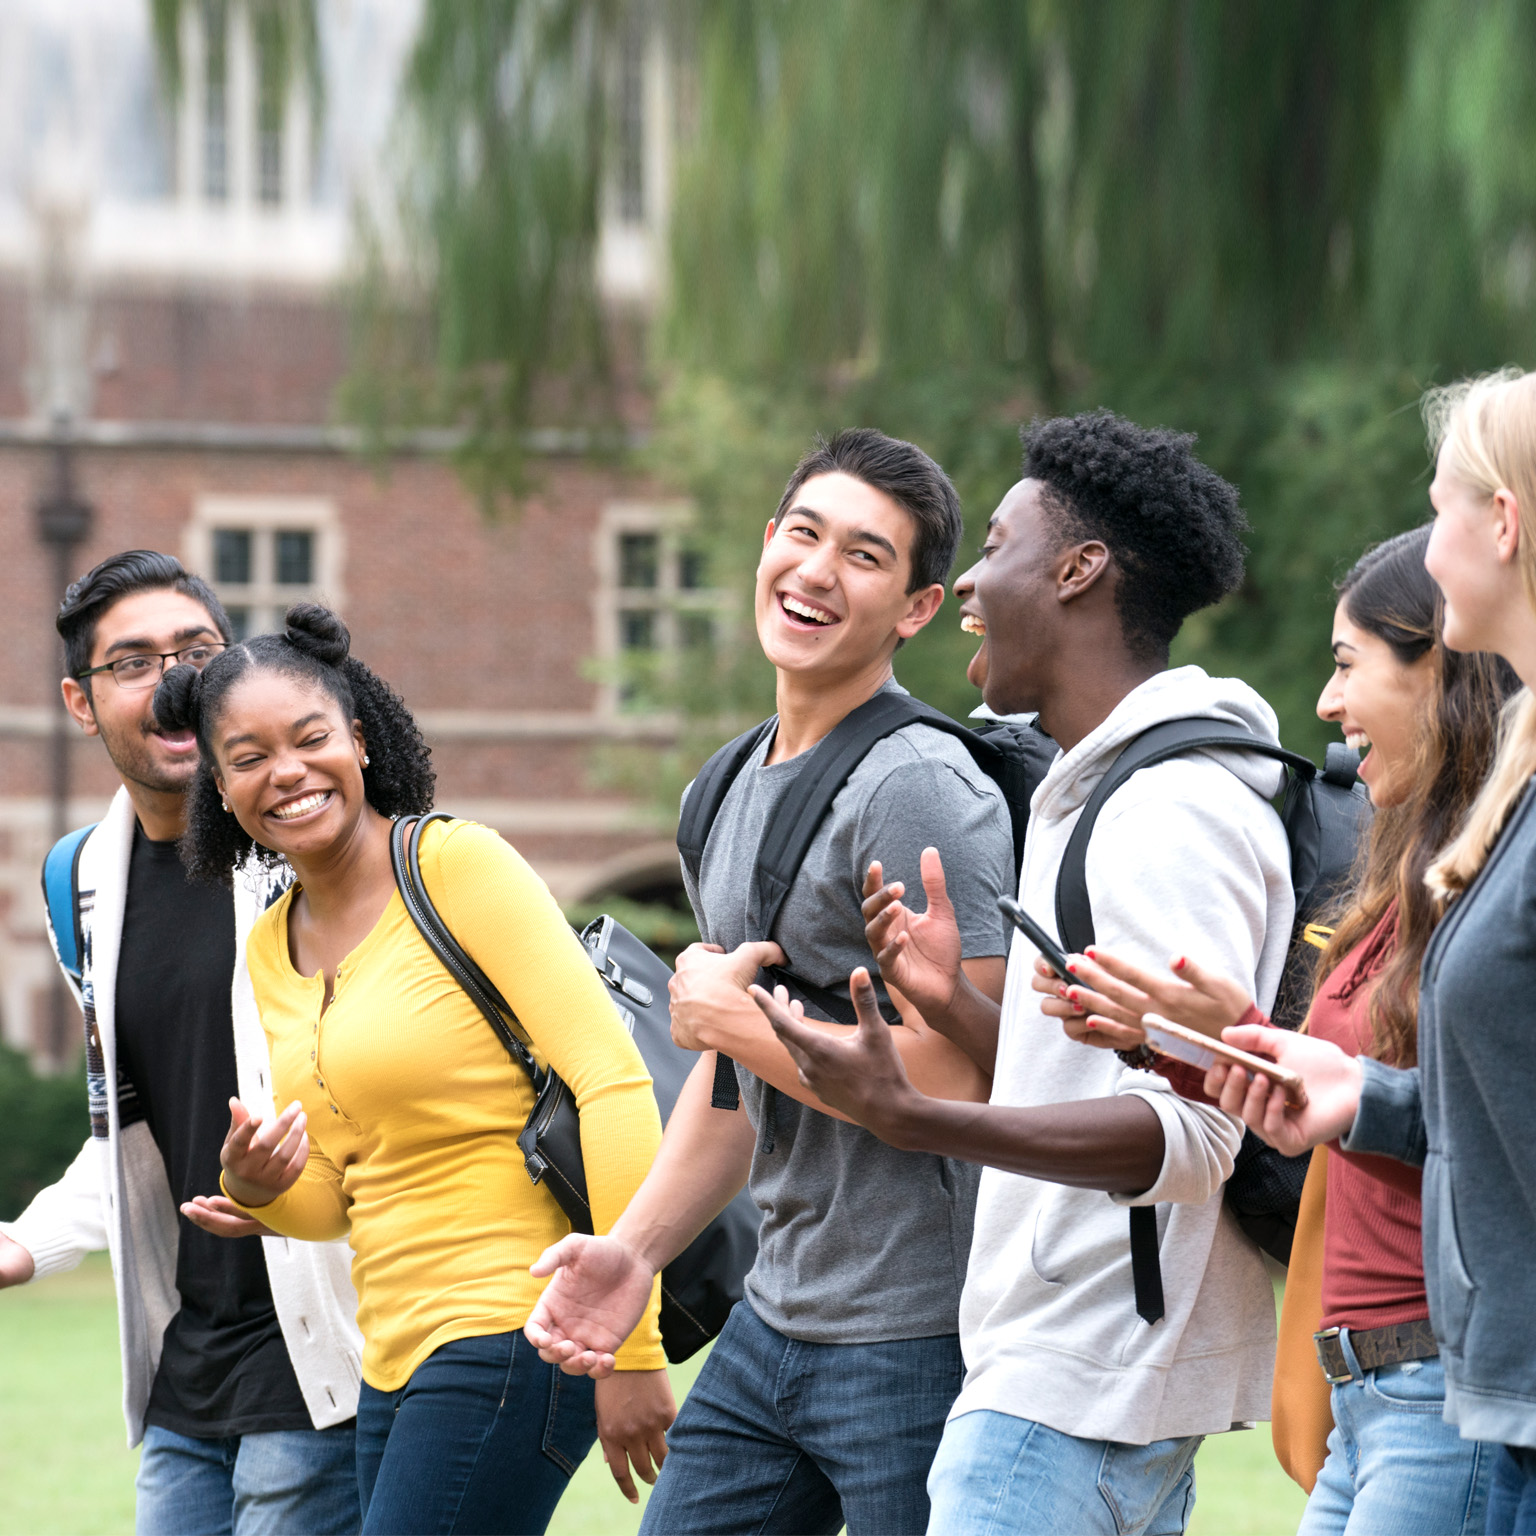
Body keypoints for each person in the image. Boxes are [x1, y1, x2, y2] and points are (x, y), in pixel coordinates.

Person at [755, 410, 1295, 1535]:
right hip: (1061, 1376)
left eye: (994, 546)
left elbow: (1196, 1138)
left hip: (1075, 1386)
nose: (966, 585)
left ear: (1079, 569)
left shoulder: (1168, 809)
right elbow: (1114, 1086)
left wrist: (916, 1117)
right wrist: (953, 1002)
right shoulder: (1091, 792)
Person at [524, 429, 1016, 1535]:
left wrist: (740, 1027)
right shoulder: (724, 786)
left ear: (917, 608)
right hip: (774, 1319)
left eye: (864, 556)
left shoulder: (921, 786)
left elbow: (968, 1079)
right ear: (765, 544)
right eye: (804, 534)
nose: (816, 572)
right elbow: (734, 1090)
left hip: (919, 1337)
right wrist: (634, 1254)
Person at [1022, 525, 1512, 1535]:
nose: (1327, 706)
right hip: (1360, 1394)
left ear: (1442, 671)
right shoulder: (1396, 887)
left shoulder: (1503, 886)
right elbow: (1333, 1102)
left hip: (1440, 1388)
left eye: (1348, 666)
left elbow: (1485, 1120)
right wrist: (1177, 1042)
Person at [159, 605, 672, 1536]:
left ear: (358, 741)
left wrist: (631, 1343)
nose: (287, 773)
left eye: (310, 738)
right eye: (247, 757)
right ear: (221, 788)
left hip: (522, 1323)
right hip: (388, 1359)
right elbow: (338, 1195)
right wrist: (258, 1186)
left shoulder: (454, 865)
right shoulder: (271, 948)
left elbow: (614, 1085)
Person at [1192, 370, 1536, 1536]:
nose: (1428, 554)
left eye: (1439, 510)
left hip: (1461, 1390)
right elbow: (1483, 1104)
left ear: (1506, 523)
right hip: (1415, 1390)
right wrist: (1344, 1092)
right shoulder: (1502, 818)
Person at [0, 552, 362, 1536]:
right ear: (79, 702)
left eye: (196, 652)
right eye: (132, 663)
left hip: (320, 1362)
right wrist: (26, 1242)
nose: (172, 683)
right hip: (185, 1373)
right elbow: (133, 1134)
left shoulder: (311, 850)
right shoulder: (83, 881)